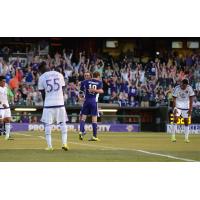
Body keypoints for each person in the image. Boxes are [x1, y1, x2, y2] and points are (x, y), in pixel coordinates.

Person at [38, 61, 69, 151]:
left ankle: (50, 146)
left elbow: (43, 93)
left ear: (41, 70)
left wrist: (45, 103)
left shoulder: (42, 77)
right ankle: (64, 144)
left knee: (47, 125)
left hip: (48, 104)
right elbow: (62, 88)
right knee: (63, 124)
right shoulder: (59, 74)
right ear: (48, 66)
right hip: (60, 103)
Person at [79, 71, 103, 141]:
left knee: (83, 118)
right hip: (94, 101)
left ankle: (81, 131)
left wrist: (81, 96)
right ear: (98, 76)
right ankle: (94, 136)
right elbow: (101, 91)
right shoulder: (99, 82)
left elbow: (82, 84)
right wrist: (94, 90)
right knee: (94, 119)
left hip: (86, 101)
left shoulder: (87, 81)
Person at [172, 79, 195, 143]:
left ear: (187, 85)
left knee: (186, 121)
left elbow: (191, 99)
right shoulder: (177, 88)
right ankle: (173, 136)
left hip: (186, 106)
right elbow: (174, 98)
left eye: (185, 86)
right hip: (178, 105)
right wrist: (175, 108)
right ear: (181, 83)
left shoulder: (189, 88)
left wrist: (190, 109)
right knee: (175, 119)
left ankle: (186, 138)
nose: (184, 87)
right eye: (183, 85)